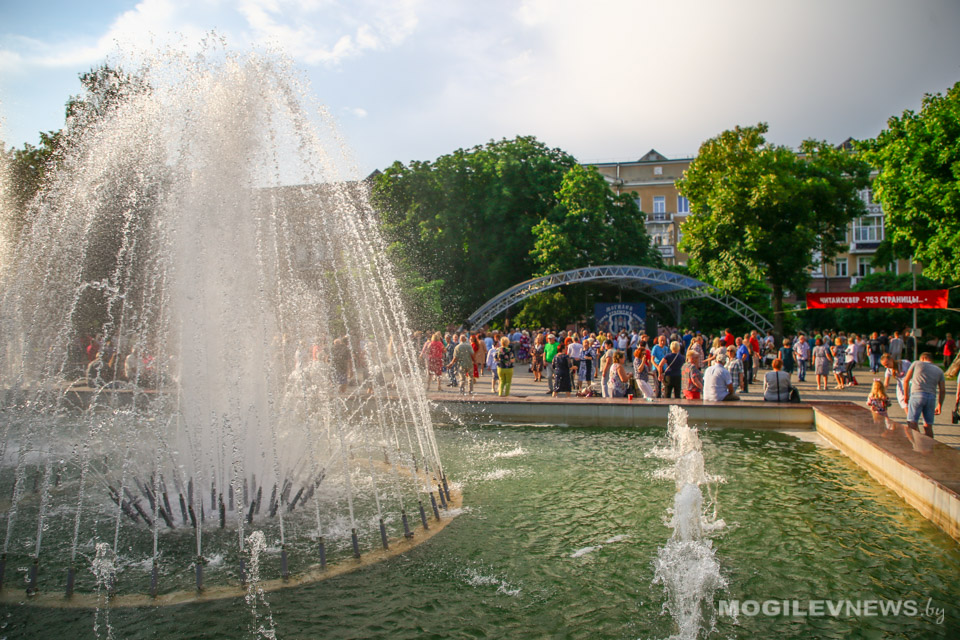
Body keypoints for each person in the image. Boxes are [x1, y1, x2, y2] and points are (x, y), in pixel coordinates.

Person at [902, 352, 946, 437]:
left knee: (912, 422)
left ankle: (916, 444)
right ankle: (929, 447)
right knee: (928, 425)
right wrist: (940, 405)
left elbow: (906, 380)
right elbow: (943, 390)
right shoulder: (939, 370)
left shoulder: (916, 363)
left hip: (917, 395)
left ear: (922, 358)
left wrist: (906, 396)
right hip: (931, 398)